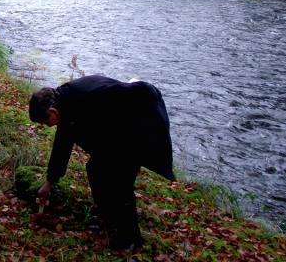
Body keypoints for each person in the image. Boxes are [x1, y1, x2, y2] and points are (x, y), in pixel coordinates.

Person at [28, 74, 175, 252]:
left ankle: (131, 238)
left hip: (141, 123)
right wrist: (49, 182)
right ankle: (109, 220)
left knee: (120, 182)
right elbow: (62, 147)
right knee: (95, 170)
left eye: (45, 122)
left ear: (52, 112)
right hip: (115, 133)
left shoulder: (91, 95)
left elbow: (140, 94)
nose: (47, 126)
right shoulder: (65, 106)